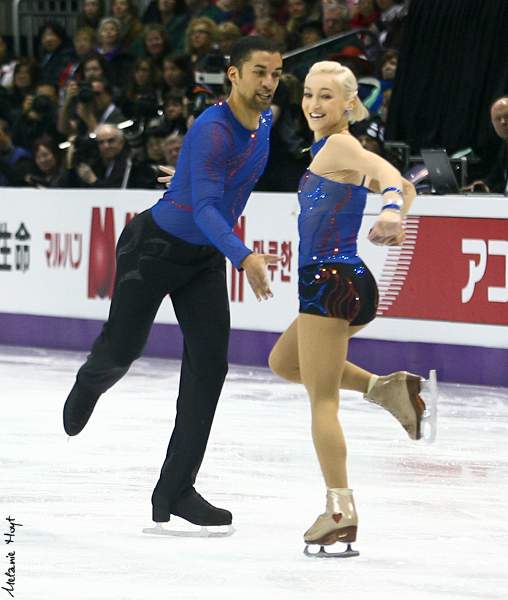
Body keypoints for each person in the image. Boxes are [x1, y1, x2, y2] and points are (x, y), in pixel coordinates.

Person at [63, 36, 284, 531]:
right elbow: (206, 207)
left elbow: (225, 185)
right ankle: (90, 380)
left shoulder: (266, 121)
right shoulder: (213, 128)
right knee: (124, 351)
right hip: (152, 248)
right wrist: (245, 256)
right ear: (233, 75)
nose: (269, 82)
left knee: (211, 365)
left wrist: (186, 176)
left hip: (202, 258)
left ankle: (175, 489)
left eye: (276, 72)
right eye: (259, 72)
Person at [268, 61, 428, 556]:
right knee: (284, 363)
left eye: (327, 97)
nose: (315, 105)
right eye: (309, 95)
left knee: (321, 400)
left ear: (348, 105)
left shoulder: (341, 145)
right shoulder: (328, 147)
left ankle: (339, 510)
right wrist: (396, 205)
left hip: (331, 283)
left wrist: (388, 210)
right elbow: (408, 183)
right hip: (340, 280)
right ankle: (386, 388)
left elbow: (388, 176)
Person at [463, 97, 508, 194]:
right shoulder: (504, 147)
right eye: (498, 119)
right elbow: (496, 177)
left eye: (507, 116)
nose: (503, 122)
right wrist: (483, 185)